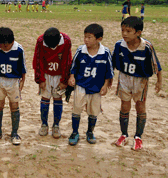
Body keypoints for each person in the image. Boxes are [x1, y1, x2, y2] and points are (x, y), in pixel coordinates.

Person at [112, 16, 162, 150]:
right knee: (124, 106)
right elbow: (112, 64)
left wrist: (159, 82)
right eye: (122, 30)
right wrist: (108, 80)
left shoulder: (146, 47)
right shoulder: (119, 45)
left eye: (128, 31)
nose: (124, 34)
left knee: (140, 107)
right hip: (124, 79)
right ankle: (124, 134)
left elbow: (156, 65)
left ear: (138, 32)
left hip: (140, 81)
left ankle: (138, 137)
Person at [67, 24, 114, 146]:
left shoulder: (105, 52)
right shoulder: (80, 50)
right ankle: (75, 132)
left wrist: (105, 85)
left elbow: (109, 70)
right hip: (81, 85)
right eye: (85, 37)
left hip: (96, 88)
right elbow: (74, 66)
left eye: (89, 37)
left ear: (99, 39)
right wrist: (72, 77)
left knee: (93, 112)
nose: (86, 40)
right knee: (76, 109)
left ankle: (90, 132)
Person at [33, 27, 72, 139]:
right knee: (45, 98)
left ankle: (56, 125)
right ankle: (44, 124)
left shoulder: (66, 41)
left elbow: (67, 61)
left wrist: (64, 80)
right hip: (46, 75)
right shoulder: (40, 41)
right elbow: (38, 59)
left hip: (59, 75)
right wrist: (40, 79)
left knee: (57, 99)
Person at [0, 27, 26, 145]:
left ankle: (14, 133)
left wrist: (22, 82)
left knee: (14, 105)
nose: (4, 47)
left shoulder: (19, 49)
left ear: (12, 42)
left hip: (13, 81)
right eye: (2, 45)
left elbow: (23, 68)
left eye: (7, 45)